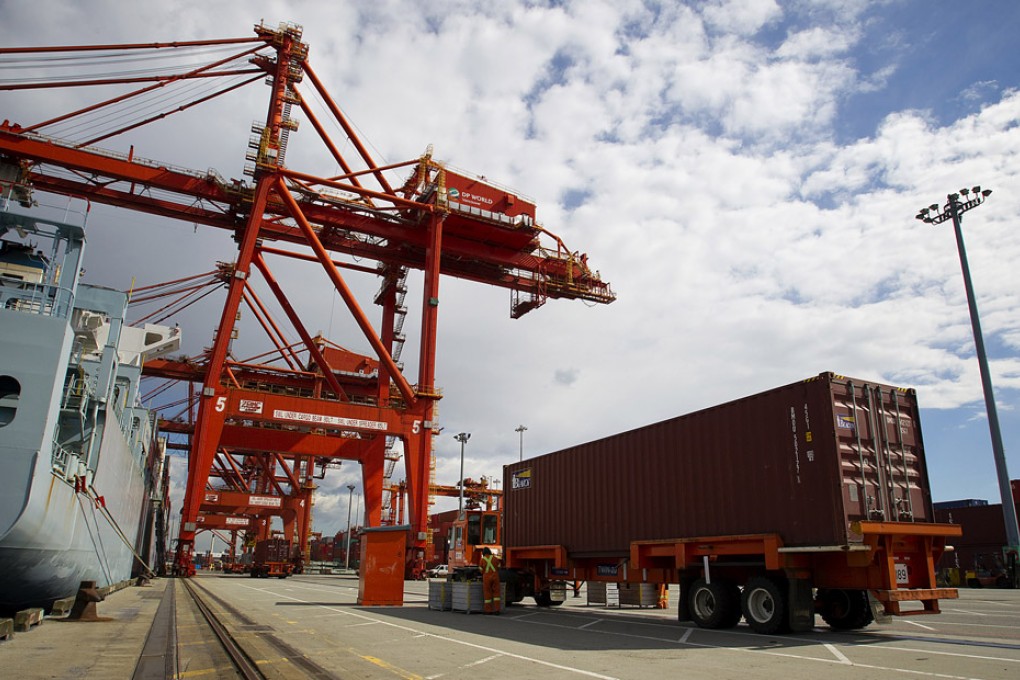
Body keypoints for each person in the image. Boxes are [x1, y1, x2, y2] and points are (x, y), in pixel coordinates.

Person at [480, 547, 501, 614]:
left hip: (487, 578)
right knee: (496, 593)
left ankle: (488, 610)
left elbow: (481, 570)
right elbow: (499, 567)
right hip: (495, 577)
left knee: (487, 594)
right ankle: (497, 610)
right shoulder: (495, 558)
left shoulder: (482, 560)